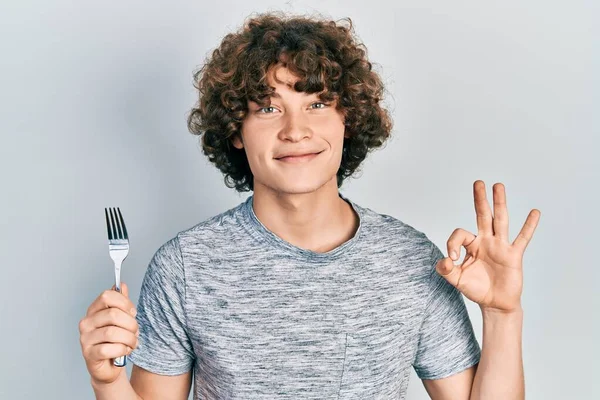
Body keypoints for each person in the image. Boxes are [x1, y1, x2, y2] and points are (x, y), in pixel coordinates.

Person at [79, 11, 540, 400]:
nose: (295, 130)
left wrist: (502, 315)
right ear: (236, 131)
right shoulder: (184, 266)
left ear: (348, 120)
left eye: (317, 103)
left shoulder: (411, 261)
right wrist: (108, 380)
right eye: (267, 107)